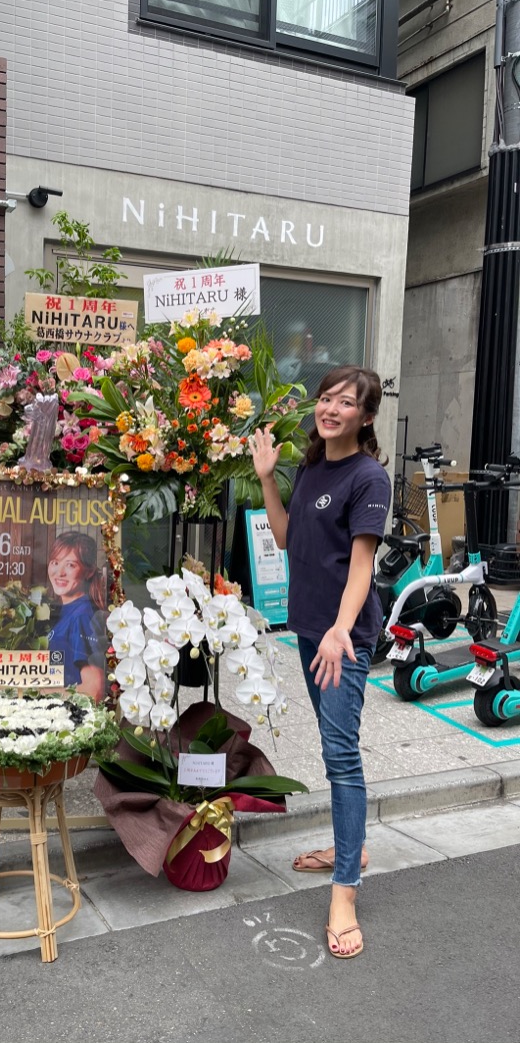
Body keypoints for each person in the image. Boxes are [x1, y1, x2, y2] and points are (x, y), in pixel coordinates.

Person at [251, 365, 391, 960]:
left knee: (341, 755)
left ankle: (345, 890)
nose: (331, 408)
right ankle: (349, 845)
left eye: (346, 402)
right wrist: (266, 480)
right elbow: (285, 540)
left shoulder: (369, 477)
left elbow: (361, 568)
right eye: (327, 397)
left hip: (345, 637)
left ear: (365, 416)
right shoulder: (312, 466)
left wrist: (339, 630)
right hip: (311, 631)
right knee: (337, 748)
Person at [46, 531, 107, 701]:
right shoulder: (63, 609)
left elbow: (94, 691)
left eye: (70, 565)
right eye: (55, 562)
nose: (59, 572)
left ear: (89, 572)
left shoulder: (82, 616)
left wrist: (38, 693)